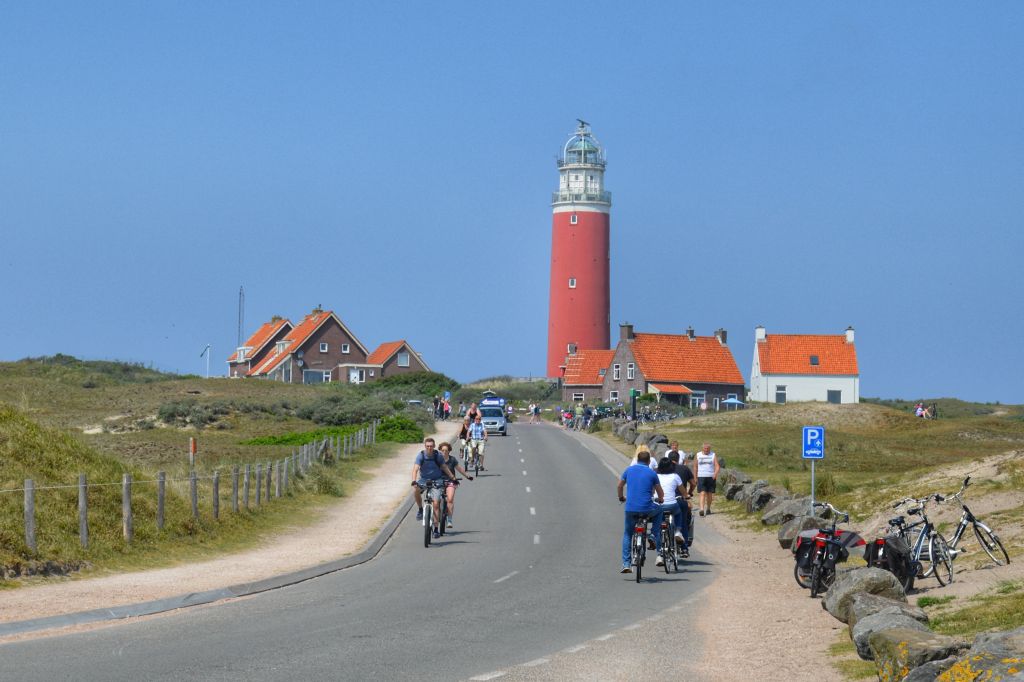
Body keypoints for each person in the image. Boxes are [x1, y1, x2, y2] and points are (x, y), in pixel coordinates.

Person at [617, 449, 665, 573]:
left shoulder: (628, 470)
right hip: (647, 508)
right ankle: (653, 534)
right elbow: (660, 492)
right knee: (659, 510)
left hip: (630, 509)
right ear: (649, 461)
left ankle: (626, 564)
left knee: (628, 534)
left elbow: (619, 486)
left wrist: (621, 497)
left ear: (637, 460)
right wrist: (660, 499)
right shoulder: (651, 473)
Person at [410, 437, 455, 538]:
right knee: (416, 489)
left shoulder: (438, 455)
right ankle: (421, 509)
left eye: (431, 446)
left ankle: (435, 529)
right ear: (425, 446)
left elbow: (444, 467)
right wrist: (414, 481)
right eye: (427, 446)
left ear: (434, 446)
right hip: (424, 479)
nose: (429, 448)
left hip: (437, 480)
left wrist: (452, 477)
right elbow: (415, 469)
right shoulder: (421, 455)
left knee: (436, 503)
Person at [655, 457, 688, 554]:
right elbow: (683, 492)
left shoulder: (655, 476)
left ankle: (659, 554)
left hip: (658, 504)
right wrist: (686, 496)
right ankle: (678, 531)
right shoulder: (675, 476)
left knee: (658, 527)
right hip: (671, 505)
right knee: (678, 513)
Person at [438, 441, 473, 528]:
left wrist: (467, 476)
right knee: (436, 500)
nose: (444, 452)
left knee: (450, 499)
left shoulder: (452, 459)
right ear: (440, 451)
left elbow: (459, 469)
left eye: (446, 450)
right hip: (439, 481)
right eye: (442, 450)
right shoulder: (437, 460)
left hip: (450, 481)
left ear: (449, 451)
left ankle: (449, 520)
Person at [667, 450, 694, 553]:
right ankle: (684, 548)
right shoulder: (684, 468)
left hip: (665, 500)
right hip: (680, 499)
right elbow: (693, 483)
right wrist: (690, 492)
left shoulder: (662, 470)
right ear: (678, 459)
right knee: (683, 521)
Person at [693, 442, 720, 517]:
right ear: (702, 448)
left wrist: (715, 474)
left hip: (710, 476)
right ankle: (701, 509)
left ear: (710, 449)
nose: (706, 450)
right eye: (705, 448)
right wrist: (695, 477)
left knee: (709, 494)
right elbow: (695, 467)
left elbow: (717, 466)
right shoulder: (698, 455)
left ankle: (708, 508)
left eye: (708, 448)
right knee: (702, 493)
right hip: (701, 476)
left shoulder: (713, 455)